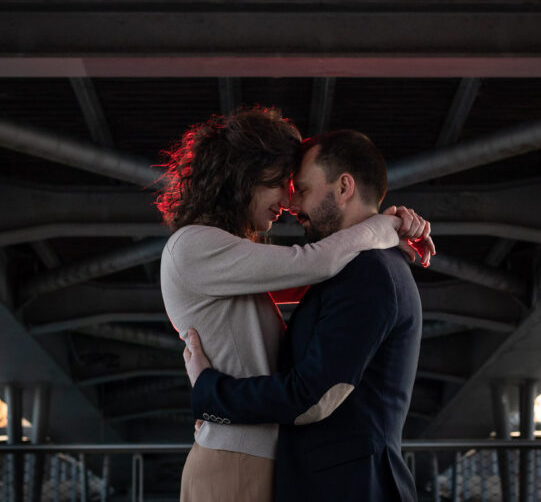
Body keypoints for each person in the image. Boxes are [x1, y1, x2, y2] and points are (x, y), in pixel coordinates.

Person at [157, 109, 432, 502]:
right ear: (245, 178)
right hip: (239, 457)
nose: (290, 203)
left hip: (303, 471)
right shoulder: (194, 247)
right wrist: (384, 228)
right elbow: (313, 264)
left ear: (343, 188)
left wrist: (210, 394)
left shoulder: (370, 273)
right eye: (283, 185)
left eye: (300, 187)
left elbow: (314, 275)